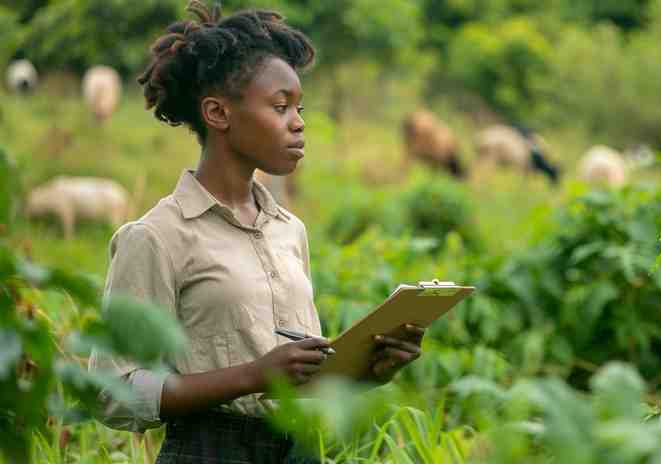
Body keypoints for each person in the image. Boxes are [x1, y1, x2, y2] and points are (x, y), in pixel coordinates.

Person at [88, 2, 425, 463]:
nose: (299, 122)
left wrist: (369, 370)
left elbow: (300, 383)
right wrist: (251, 375)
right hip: (210, 450)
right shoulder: (154, 238)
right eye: (280, 106)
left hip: (300, 450)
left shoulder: (290, 231)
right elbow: (112, 393)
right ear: (218, 113)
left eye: (299, 107)